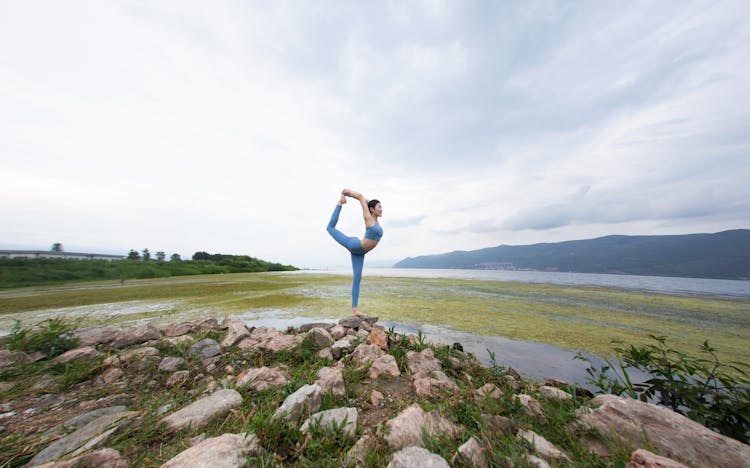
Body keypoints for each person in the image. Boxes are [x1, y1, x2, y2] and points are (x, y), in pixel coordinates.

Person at [326, 189, 383, 316]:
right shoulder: (368, 219)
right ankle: (339, 204)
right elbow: (361, 197)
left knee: (357, 279)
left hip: (360, 253)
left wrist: (370, 203)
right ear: (373, 210)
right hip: (354, 245)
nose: (381, 209)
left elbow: (368, 203)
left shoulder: (376, 221)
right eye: (379, 207)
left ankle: (355, 310)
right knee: (330, 228)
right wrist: (345, 193)